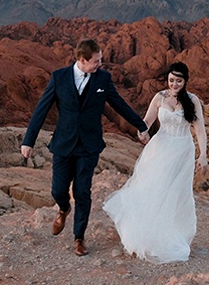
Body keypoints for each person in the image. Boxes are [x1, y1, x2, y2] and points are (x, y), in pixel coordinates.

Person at [20, 39, 147, 257]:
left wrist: (141, 126)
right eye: (96, 61)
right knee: (58, 190)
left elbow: (119, 105)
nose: (100, 64)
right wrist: (28, 141)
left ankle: (79, 237)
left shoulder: (103, 79)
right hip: (63, 143)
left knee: (82, 192)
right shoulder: (59, 78)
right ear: (82, 60)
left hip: (89, 145)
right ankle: (63, 208)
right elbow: (41, 109)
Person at [102, 61, 206, 263]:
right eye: (171, 80)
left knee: (176, 193)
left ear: (185, 81)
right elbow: (147, 121)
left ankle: (173, 235)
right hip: (160, 147)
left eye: (179, 81)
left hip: (183, 150)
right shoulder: (159, 97)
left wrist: (203, 154)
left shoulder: (192, 101)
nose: (174, 84)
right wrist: (142, 132)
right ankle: (147, 235)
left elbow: (200, 129)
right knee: (154, 188)